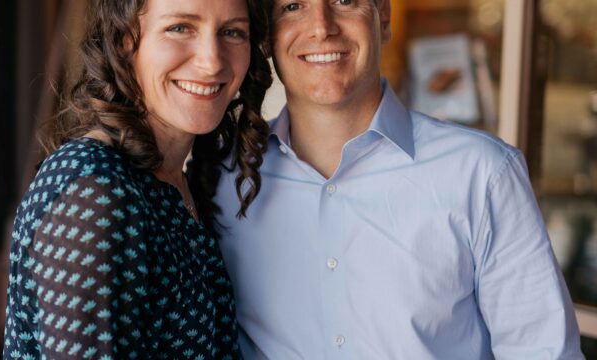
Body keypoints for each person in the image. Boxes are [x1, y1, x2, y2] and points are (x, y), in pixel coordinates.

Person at [214, 0, 585, 358]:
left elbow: (543, 351)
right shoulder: (222, 178)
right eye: (293, 6)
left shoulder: (482, 173)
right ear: (267, 36)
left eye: (344, 1)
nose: (321, 27)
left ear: (384, 16)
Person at [3, 0, 271, 358]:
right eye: (180, 27)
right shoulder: (94, 192)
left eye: (232, 32)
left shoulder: (179, 182)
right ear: (125, 40)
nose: (212, 60)